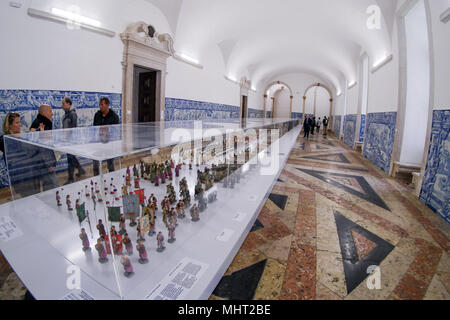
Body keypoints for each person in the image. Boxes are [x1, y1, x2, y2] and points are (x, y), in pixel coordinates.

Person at [29, 104, 59, 191]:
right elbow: (42, 147)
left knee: (49, 186)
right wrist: (49, 164)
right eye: (50, 111)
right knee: (53, 186)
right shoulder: (40, 124)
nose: (52, 113)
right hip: (44, 164)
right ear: (44, 112)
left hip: (42, 162)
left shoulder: (43, 122)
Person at [93, 97, 120, 176]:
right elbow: (95, 128)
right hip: (98, 142)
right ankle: (96, 179)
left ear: (107, 105)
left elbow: (115, 131)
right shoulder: (97, 115)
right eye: (99, 105)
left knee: (110, 164)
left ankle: (112, 178)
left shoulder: (114, 116)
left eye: (102, 105)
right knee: (95, 165)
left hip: (109, 143)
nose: (100, 106)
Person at [62, 97, 85, 184]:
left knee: (70, 159)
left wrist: (72, 140)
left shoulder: (72, 114)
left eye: (63, 103)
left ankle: (70, 178)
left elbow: (74, 128)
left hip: (71, 141)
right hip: (67, 140)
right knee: (71, 157)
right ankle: (81, 170)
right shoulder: (66, 115)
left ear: (68, 104)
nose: (62, 106)